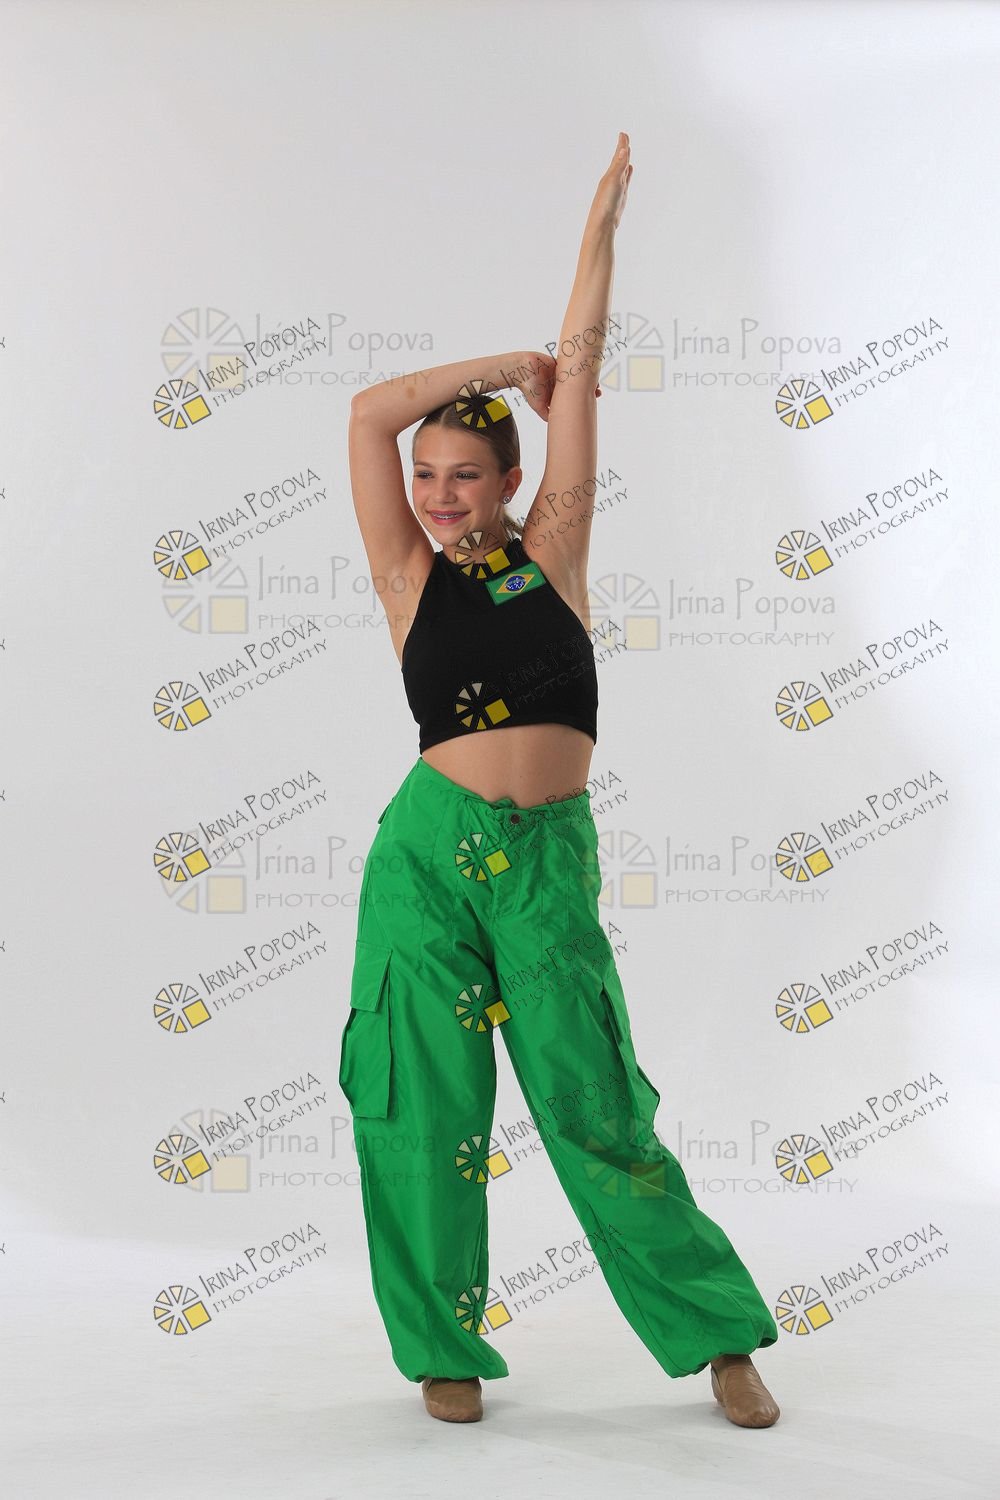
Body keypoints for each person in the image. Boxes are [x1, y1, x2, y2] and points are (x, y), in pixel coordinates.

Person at [340, 132, 781, 1430]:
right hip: (426, 858)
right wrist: (489, 369)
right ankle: (443, 1346)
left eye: (464, 475)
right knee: (424, 1103)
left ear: (512, 480)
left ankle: (718, 1337)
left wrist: (601, 233)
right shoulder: (405, 576)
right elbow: (366, 414)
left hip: (542, 863)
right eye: (427, 478)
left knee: (597, 1109)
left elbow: (579, 373)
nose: (437, 496)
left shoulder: (555, 555)